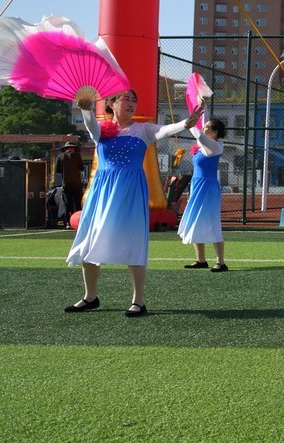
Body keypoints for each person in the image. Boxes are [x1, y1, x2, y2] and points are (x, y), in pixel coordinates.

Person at [65, 90, 203, 317]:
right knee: (89, 243)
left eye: (134, 99)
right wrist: (86, 109)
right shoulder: (103, 130)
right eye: (125, 99)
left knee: (134, 244)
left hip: (130, 193)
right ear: (111, 104)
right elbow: (93, 130)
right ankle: (90, 297)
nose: (131, 103)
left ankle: (138, 301)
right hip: (102, 193)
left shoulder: (143, 130)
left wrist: (187, 122)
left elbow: (165, 130)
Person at [178, 118, 229, 272]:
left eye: (208, 127)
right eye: (204, 126)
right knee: (194, 220)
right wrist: (201, 105)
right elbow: (200, 129)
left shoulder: (215, 146)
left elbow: (199, 135)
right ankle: (201, 260)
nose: (204, 128)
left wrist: (190, 123)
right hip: (196, 185)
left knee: (212, 223)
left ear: (216, 132)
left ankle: (221, 262)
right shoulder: (204, 144)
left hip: (208, 187)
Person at [55, 140, 84, 224]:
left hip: (66, 183)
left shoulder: (60, 156)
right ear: (73, 148)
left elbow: (58, 170)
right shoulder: (77, 156)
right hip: (77, 183)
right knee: (78, 203)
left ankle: (68, 222)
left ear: (66, 148)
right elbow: (81, 168)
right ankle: (79, 221)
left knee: (67, 204)